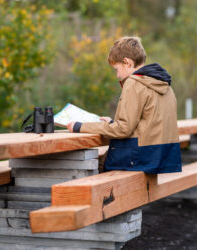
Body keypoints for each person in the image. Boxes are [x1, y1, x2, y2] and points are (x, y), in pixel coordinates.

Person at [67, 36, 182, 174]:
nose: (117, 75)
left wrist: (80, 126)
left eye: (116, 69)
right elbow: (145, 124)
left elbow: (124, 129)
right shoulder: (164, 84)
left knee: (94, 165)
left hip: (143, 157)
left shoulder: (134, 83)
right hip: (163, 156)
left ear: (127, 62)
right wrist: (112, 123)